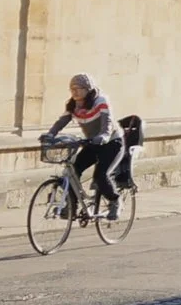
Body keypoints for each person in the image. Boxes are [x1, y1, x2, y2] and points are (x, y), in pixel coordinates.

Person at [47, 74, 124, 222]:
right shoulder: (73, 105)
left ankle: (115, 201)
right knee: (73, 171)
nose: (74, 92)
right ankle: (71, 206)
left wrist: (104, 136)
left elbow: (107, 122)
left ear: (88, 89)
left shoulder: (100, 101)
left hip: (111, 143)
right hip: (92, 143)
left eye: (78, 88)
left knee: (100, 176)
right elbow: (62, 121)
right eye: (72, 89)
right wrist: (50, 134)